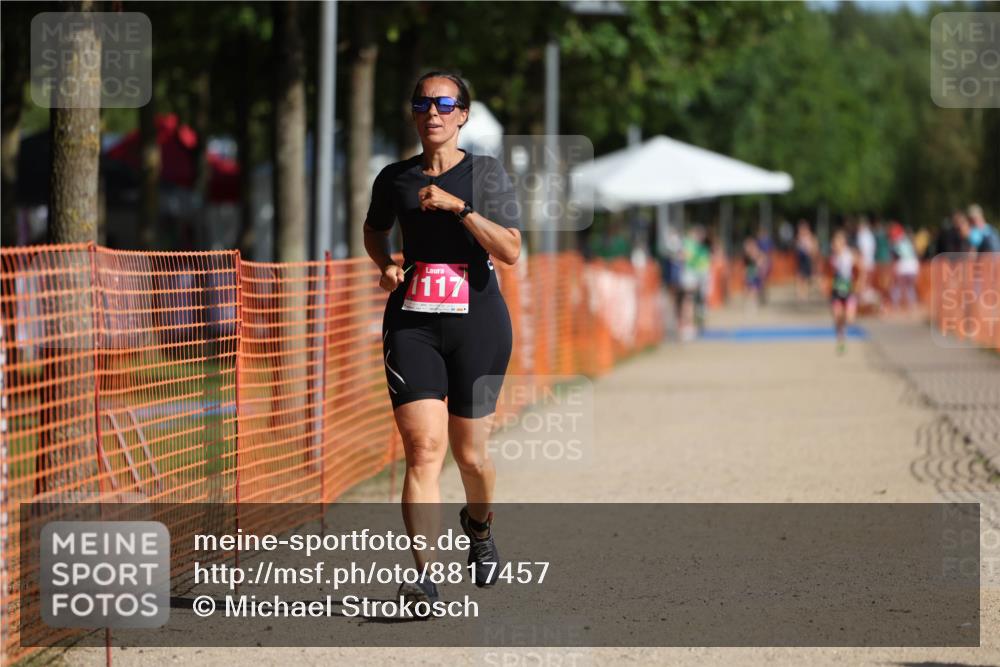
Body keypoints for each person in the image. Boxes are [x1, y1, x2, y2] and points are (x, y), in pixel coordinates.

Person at [363, 71, 521, 608]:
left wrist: (460, 209)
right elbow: (373, 228)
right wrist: (386, 265)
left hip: (478, 321)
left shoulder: (487, 174)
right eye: (422, 103)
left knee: (471, 455)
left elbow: (511, 250)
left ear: (463, 115)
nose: (432, 112)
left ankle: (479, 528)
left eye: (444, 103)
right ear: (413, 114)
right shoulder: (395, 178)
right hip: (414, 323)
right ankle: (425, 576)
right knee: (423, 450)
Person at [828, 230, 858, 354]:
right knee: (837, 317)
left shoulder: (850, 255)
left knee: (850, 320)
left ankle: (843, 327)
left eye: (837, 242)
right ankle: (841, 340)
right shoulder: (832, 258)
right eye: (834, 243)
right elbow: (827, 273)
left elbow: (862, 269)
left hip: (849, 291)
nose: (835, 245)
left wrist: (860, 283)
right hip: (836, 292)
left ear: (843, 243)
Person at [888, 222, 919, 310]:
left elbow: (896, 257)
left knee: (896, 285)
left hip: (903, 266)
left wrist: (894, 267)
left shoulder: (896, 243)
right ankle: (912, 304)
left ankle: (895, 304)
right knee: (910, 287)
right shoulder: (908, 240)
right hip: (913, 266)